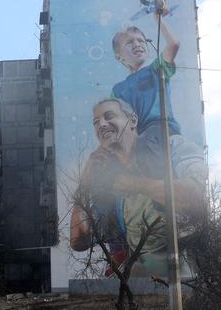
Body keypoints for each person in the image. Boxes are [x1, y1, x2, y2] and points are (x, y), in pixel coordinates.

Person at [70, 99, 206, 276]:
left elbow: (196, 199)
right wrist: (84, 183)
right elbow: (79, 242)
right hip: (138, 277)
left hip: (183, 271)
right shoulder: (106, 183)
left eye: (109, 116)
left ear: (132, 120)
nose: (101, 124)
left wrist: (134, 184)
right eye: (96, 122)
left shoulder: (171, 146)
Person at [111, 7, 180, 142]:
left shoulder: (156, 69)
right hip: (139, 139)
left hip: (163, 129)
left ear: (147, 49)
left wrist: (158, 18)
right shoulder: (117, 90)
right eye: (129, 43)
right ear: (119, 57)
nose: (137, 45)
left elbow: (174, 44)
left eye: (141, 41)